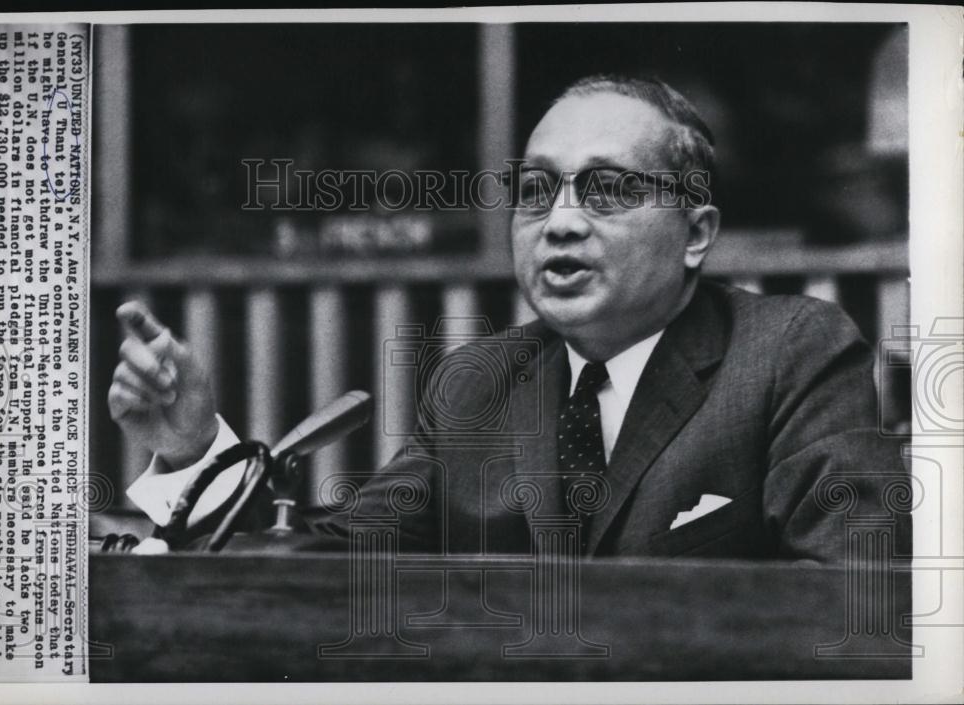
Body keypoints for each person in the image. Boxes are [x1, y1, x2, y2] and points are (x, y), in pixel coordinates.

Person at [108, 75, 909, 561]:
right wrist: (192, 448)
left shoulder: (791, 353)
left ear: (696, 233)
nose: (558, 222)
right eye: (535, 191)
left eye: (606, 190)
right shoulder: (475, 384)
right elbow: (336, 563)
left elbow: (849, 593)